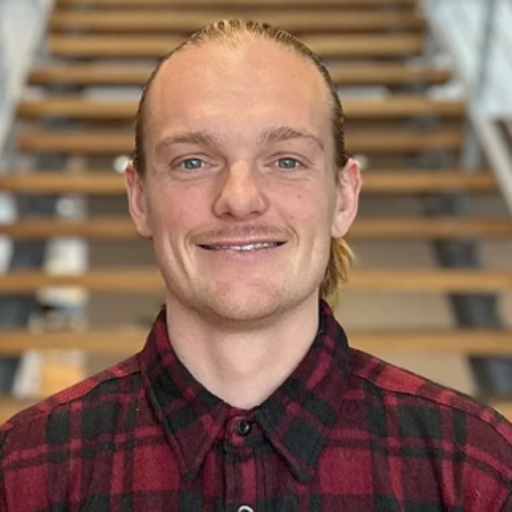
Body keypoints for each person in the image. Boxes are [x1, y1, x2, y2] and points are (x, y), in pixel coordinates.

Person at [1, 19, 512, 512]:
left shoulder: (478, 469)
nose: (240, 199)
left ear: (344, 197)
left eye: (287, 160)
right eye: (193, 162)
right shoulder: (22, 473)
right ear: (139, 199)